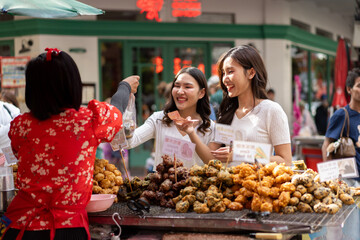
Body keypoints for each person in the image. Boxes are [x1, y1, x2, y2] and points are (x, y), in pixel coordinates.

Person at [2, 48, 139, 240]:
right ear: (73, 85)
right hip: (67, 229)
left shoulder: (20, 126)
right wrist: (124, 86)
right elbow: (116, 111)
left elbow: (17, 153)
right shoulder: (88, 120)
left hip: (20, 226)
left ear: (32, 88)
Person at [186, 46, 292, 165]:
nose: (225, 79)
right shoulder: (227, 112)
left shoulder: (271, 110)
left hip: (258, 183)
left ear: (251, 73)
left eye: (230, 72)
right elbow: (211, 158)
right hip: (229, 183)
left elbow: (285, 160)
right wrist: (191, 133)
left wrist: (241, 153)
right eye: (223, 73)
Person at [119, 67, 215, 169]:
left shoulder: (209, 126)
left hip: (194, 184)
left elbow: (211, 162)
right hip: (162, 184)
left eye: (187, 87)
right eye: (177, 86)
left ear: (201, 93)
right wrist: (127, 119)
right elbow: (130, 142)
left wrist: (191, 133)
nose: (180, 91)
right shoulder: (159, 119)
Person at [322, 68, 360, 186]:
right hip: (350, 181)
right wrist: (330, 179)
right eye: (359, 86)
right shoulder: (341, 115)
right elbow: (326, 144)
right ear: (349, 89)